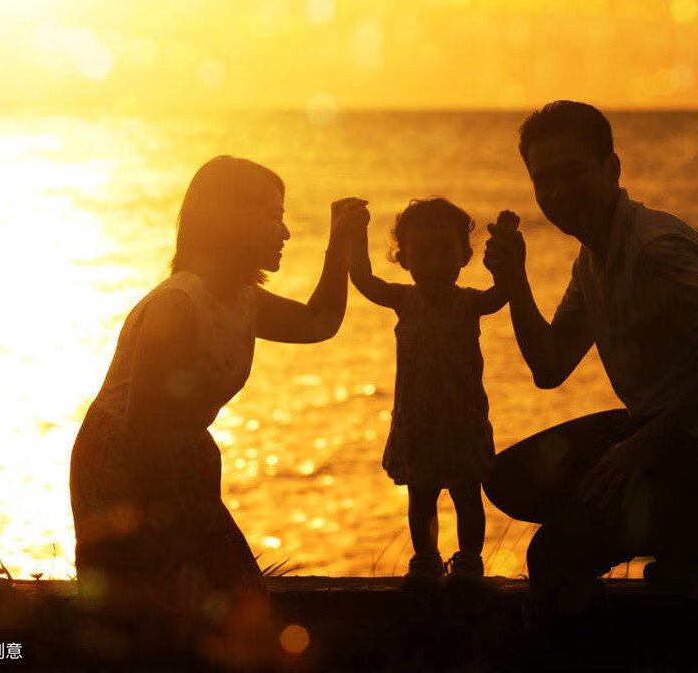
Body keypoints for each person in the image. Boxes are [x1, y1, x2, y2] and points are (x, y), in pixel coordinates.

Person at [482, 101, 698, 605]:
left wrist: (638, 448)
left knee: (552, 557)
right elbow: (550, 366)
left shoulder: (654, 249)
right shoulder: (594, 257)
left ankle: (697, 522)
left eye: (573, 172)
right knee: (507, 480)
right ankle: (679, 522)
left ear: (612, 168)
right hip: (663, 429)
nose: (557, 193)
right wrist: (514, 280)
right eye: (543, 180)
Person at [69, 155, 368, 661]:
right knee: (157, 625)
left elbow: (319, 323)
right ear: (229, 218)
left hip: (178, 464)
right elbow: (143, 431)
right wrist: (173, 545)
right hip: (123, 474)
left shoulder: (240, 298)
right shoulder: (177, 307)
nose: (287, 232)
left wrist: (339, 241)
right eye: (273, 215)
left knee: (234, 606)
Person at [349, 198, 507, 580]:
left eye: (444, 251)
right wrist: (354, 234)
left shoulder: (470, 303)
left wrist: (506, 251)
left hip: (463, 423)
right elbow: (364, 280)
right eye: (421, 252)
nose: (435, 263)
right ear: (403, 259)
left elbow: (503, 292)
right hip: (417, 425)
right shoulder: (406, 300)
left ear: (465, 256)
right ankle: (426, 557)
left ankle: (469, 558)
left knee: (468, 495)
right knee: (421, 496)